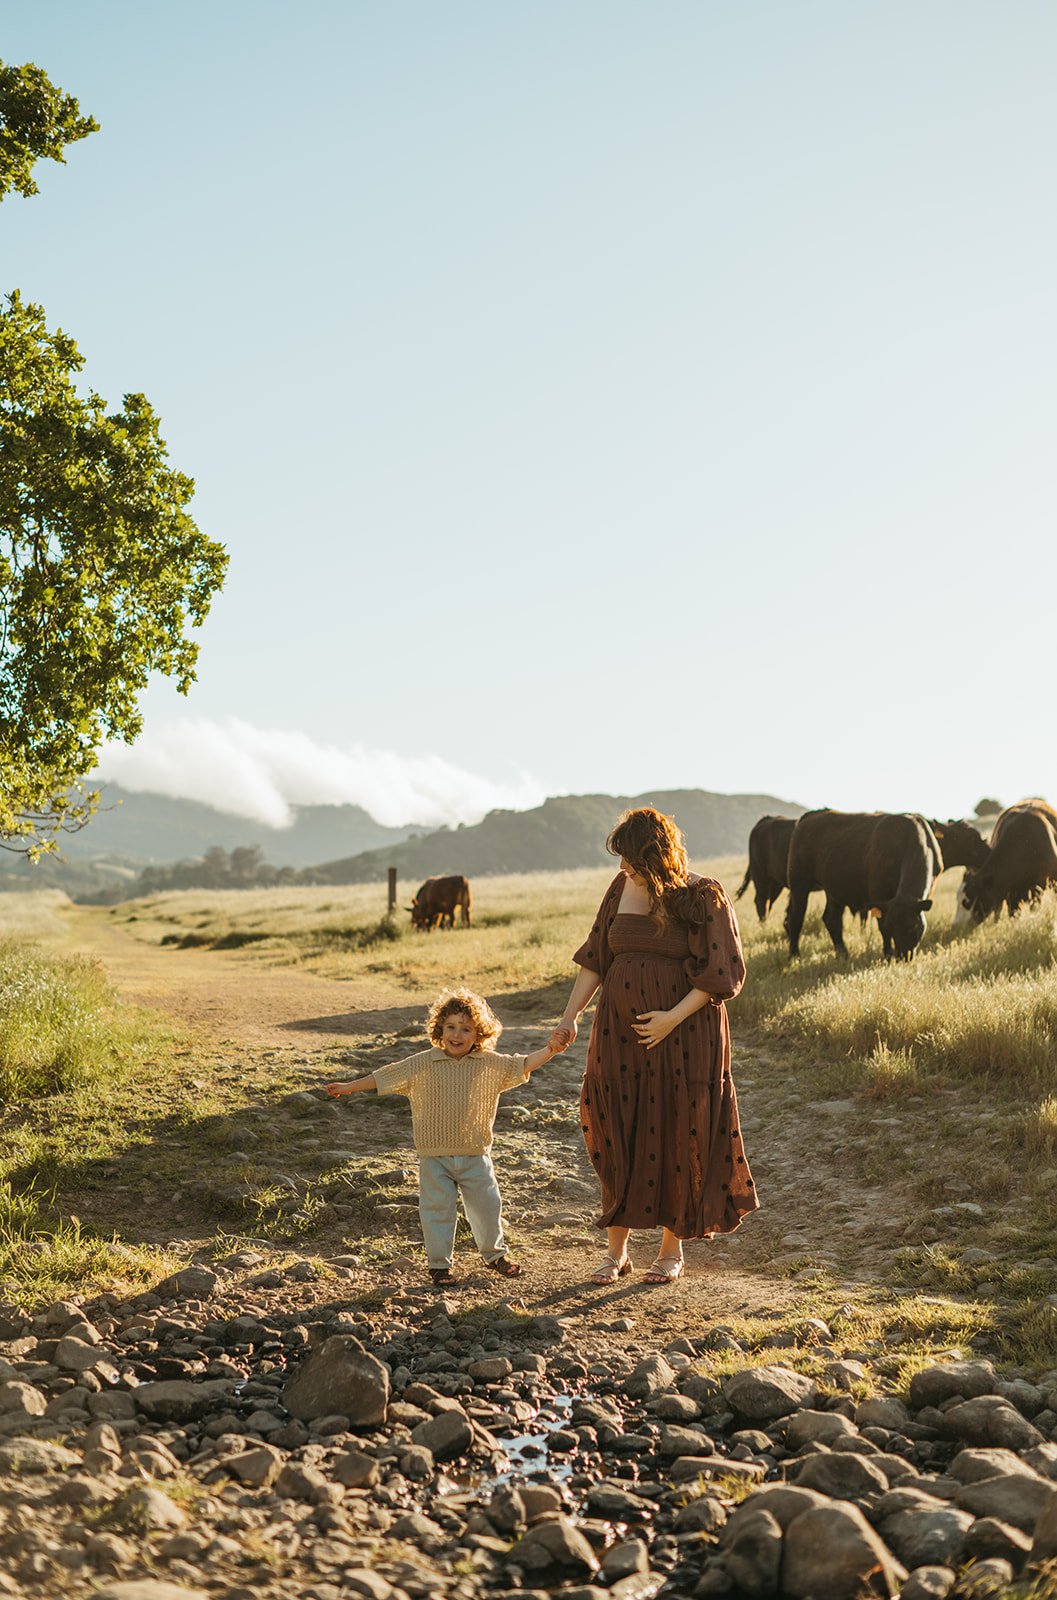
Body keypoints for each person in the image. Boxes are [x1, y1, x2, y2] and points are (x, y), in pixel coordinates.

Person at [551, 807, 758, 1284]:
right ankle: (617, 1252)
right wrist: (569, 1016)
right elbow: (596, 958)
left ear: (655, 854)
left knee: (678, 1128)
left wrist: (670, 1018)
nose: (623, 868)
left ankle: (671, 1248)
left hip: (687, 1035)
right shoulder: (620, 889)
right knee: (617, 1128)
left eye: (630, 858)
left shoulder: (703, 894)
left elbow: (721, 973)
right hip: (618, 1036)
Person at [327, 986, 565, 1286]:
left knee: (488, 1207)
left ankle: (496, 1256)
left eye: (466, 1029)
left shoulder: (488, 1064)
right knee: (436, 1211)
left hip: (475, 1154)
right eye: (451, 1027)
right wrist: (348, 1087)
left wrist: (551, 1050)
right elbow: (384, 1077)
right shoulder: (423, 1062)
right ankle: (439, 1266)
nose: (457, 1034)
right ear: (440, 1029)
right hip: (434, 1156)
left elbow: (524, 1063)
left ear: (479, 1034)